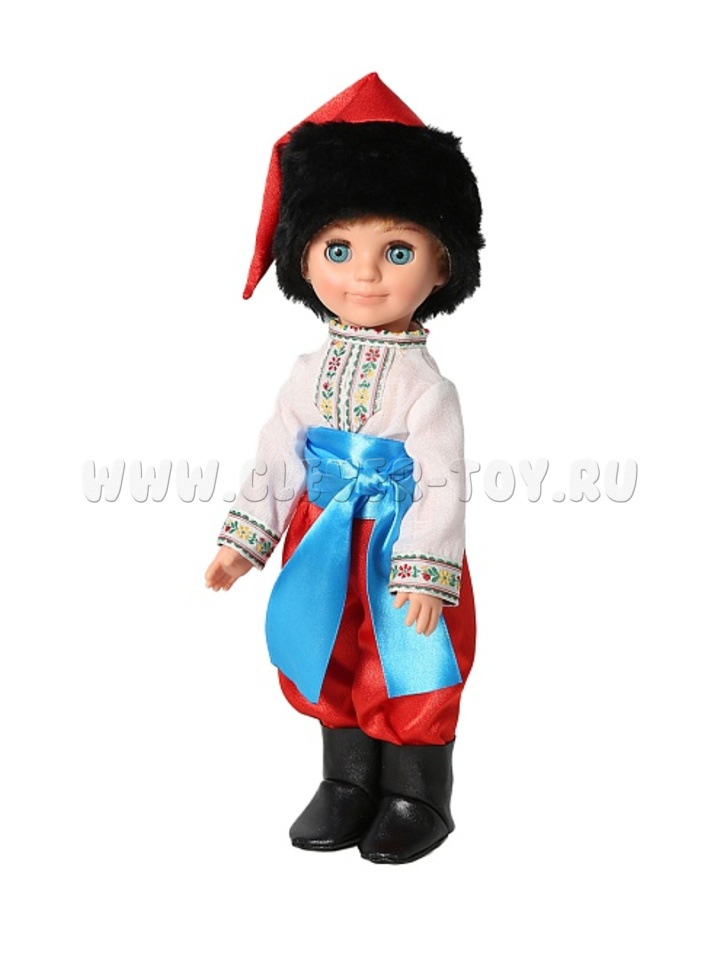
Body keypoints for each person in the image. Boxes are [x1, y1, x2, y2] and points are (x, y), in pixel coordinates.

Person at [205, 73, 485, 864]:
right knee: (329, 646)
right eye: (339, 249)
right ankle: (348, 778)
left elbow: (443, 479)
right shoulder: (306, 373)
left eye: (397, 251)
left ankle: (418, 791)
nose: (364, 275)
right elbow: (278, 454)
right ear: (303, 259)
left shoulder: (426, 388)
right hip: (321, 535)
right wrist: (246, 539)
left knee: (406, 660)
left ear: (441, 268)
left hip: (396, 540)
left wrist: (426, 570)